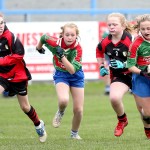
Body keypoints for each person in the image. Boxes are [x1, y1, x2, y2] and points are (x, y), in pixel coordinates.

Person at [0, 13, 47, 142]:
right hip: (2, 75)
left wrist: (1, 61)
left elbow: (19, 55)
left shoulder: (11, 37)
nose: (0, 26)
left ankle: (38, 124)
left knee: (25, 107)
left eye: (1, 23)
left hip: (17, 76)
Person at [36, 23, 84, 140]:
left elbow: (72, 70)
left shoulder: (77, 48)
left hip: (76, 76)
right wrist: (39, 48)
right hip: (61, 74)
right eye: (67, 34)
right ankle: (61, 111)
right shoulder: (55, 43)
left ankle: (74, 134)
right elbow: (43, 37)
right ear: (62, 35)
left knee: (78, 109)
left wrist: (61, 56)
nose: (69, 37)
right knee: (63, 100)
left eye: (72, 35)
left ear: (76, 36)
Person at [96, 13, 133, 137]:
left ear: (123, 25)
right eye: (109, 24)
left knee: (145, 112)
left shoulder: (131, 40)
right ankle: (122, 120)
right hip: (121, 76)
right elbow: (99, 51)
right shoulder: (105, 42)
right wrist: (101, 66)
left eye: (115, 24)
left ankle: (147, 128)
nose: (111, 27)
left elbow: (140, 59)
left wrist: (125, 63)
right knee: (114, 98)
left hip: (138, 75)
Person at [127, 14, 150, 139]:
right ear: (139, 29)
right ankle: (147, 127)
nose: (146, 31)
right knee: (147, 113)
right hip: (142, 78)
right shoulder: (136, 44)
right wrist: (143, 72)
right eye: (143, 29)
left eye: (149, 28)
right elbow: (130, 66)